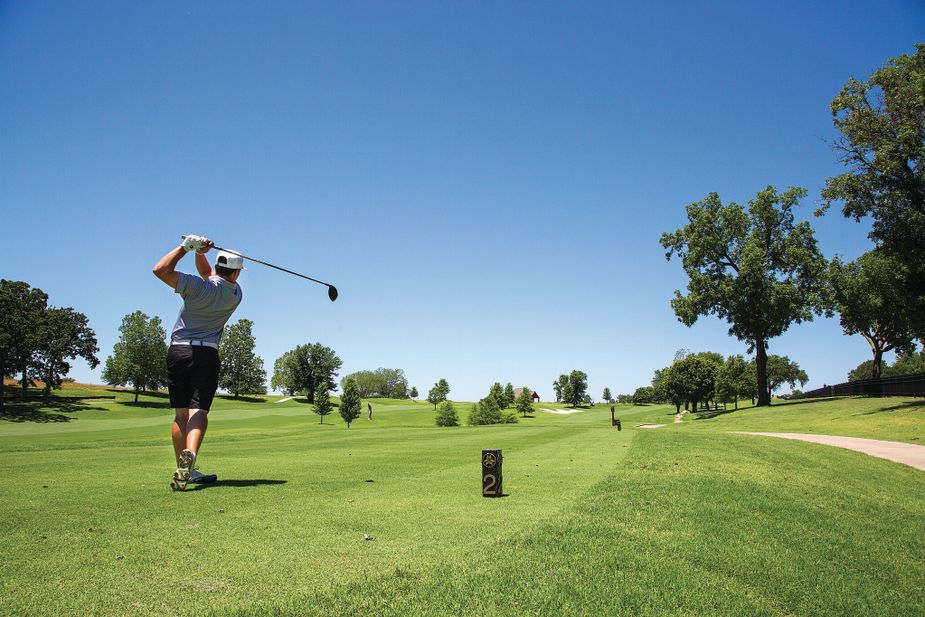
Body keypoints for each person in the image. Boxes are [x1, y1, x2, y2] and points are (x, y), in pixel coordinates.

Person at [153, 234, 244, 490]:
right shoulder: (235, 293)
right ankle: (190, 456)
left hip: (178, 352)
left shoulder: (195, 286)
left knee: (181, 413)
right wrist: (199, 252)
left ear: (218, 267)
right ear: (235, 273)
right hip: (206, 354)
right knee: (199, 411)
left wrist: (187, 248)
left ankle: (185, 468)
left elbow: (160, 269)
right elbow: (210, 275)